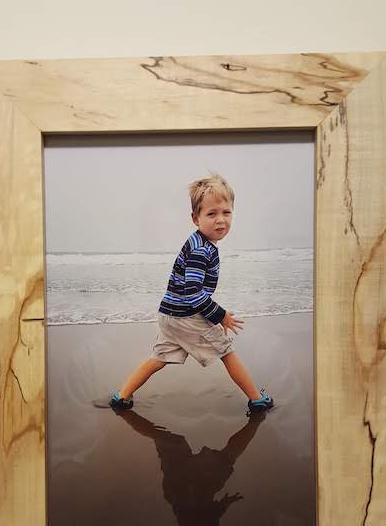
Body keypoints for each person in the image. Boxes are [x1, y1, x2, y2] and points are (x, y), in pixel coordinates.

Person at [108, 173, 274, 414]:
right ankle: (256, 399)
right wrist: (221, 316)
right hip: (187, 316)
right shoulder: (200, 251)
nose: (220, 220)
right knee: (226, 351)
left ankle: (121, 397)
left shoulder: (199, 243)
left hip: (169, 314)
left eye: (226, 212)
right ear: (196, 218)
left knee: (158, 358)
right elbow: (193, 294)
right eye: (211, 214)